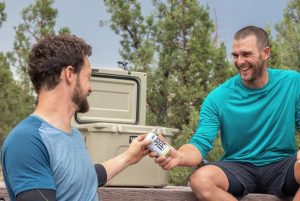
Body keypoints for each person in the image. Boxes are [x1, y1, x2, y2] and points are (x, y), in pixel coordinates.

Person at [151, 25, 300, 200]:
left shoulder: (292, 82)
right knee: (200, 180)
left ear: (265, 53)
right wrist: (179, 156)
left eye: (246, 54)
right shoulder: (217, 98)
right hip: (239, 167)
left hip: (282, 165)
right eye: (235, 56)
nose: (239, 62)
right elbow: (200, 143)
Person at [1, 34, 150, 201]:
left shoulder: (74, 135)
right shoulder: (27, 141)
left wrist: (129, 157)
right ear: (70, 74)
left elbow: (81, 179)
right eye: (88, 78)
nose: (90, 88)